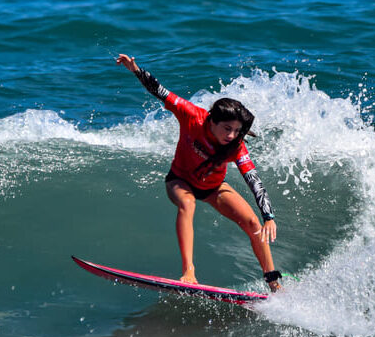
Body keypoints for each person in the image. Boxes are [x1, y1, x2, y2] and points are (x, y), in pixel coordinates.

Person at [116, 54, 282, 292]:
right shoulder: (191, 115)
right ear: (212, 120)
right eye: (227, 129)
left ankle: (273, 283)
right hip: (179, 180)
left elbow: (253, 180)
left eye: (237, 131)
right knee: (188, 203)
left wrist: (269, 217)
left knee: (253, 223)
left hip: (213, 188)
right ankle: (188, 272)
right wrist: (135, 70)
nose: (232, 136)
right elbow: (160, 91)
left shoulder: (236, 145)